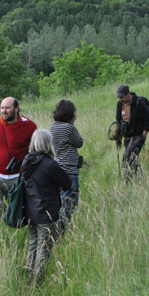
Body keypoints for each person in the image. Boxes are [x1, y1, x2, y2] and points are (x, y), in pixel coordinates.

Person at [21, 129, 72, 284]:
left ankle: (29, 279)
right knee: (43, 250)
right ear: (49, 144)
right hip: (47, 213)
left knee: (33, 247)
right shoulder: (50, 164)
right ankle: (37, 283)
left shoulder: (26, 161)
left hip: (30, 212)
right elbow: (67, 183)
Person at [0, 97, 37, 214]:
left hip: (19, 176)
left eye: (7, 108)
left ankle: (15, 222)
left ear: (16, 109)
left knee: (20, 207)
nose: (3, 111)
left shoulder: (30, 126)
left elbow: (37, 150)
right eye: (2, 108)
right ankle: (7, 220)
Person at [50, 99, 84, 232]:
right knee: (70, 203)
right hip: (70, 170)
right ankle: (61, 230)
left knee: (60, 201)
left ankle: (56, 227)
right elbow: (79, 142)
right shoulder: (69, 128)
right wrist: (72, 124)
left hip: (58, 167)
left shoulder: (53, 126)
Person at [115, 84, 149, 179]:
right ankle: (140, 179)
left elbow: (148, 121)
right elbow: (118, 120)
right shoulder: (120, 104)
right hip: (127, 136)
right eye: (119, 97)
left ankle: (127, 181)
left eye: (121, 97)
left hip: (138, 135)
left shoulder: (140, 103)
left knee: (126, 157)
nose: (120, 99)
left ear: (128, 94)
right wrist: (118, 136)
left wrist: (143, 136)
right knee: (134, 159)